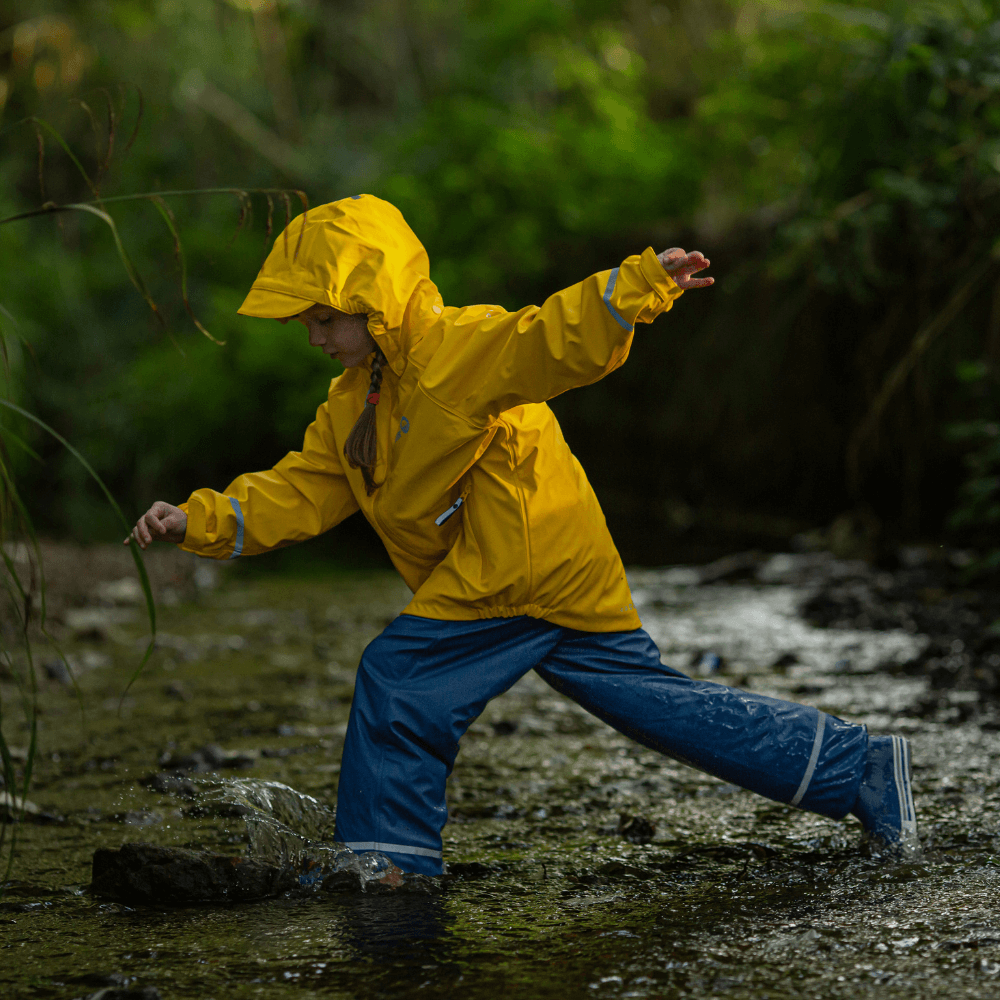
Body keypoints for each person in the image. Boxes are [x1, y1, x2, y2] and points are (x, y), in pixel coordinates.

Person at [126, 194, 917, 877]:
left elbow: (545, 340)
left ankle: (385, 868)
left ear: (375, 300)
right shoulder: (353, 404)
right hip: (559, 573)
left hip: (521, 566)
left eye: (324, 318)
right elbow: (302, 488)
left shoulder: (454, 351)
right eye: (308, 321)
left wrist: (635, 288)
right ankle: (860, 771)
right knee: (659, 708)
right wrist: (199, 520)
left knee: (398, 681)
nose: (313, 337)